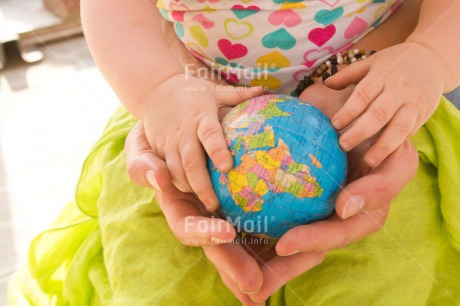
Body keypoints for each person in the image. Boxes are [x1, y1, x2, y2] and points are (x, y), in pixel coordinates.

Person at [7, 0, 460, 305]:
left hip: (377, 111)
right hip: (187, 115)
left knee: (383, 278)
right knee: (158, 276)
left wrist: (429, 56)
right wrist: (158, 91)